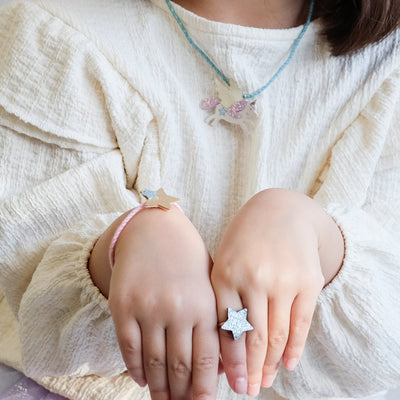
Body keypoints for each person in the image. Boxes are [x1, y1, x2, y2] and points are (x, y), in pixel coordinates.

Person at [0, 0, 399, 399]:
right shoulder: (53, 29)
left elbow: (382, 349)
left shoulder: (388, 66)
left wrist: (320, 239)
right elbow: (39, 307)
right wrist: (129, 242)